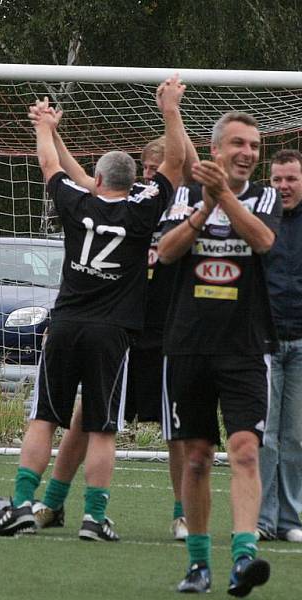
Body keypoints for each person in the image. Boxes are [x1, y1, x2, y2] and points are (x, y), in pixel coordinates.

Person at [0, 76, 185, 541]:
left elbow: (49, 164)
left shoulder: (78, 203)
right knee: (102, 428)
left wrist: (44, 125)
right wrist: (170, 109)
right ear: (133, 180)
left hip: (65, 323)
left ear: (97, 181)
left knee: (45, 418)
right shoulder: (143, 212)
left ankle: (21, 504)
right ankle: (94, 518)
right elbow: (177, 161)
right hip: (113, 332)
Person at [28, 133, 195, 541]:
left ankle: (183, 514)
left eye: (159, 169)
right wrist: (56, 137)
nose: (153, 176)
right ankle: (52, 502)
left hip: (162, 329)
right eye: (148, 169)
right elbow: (85, 177)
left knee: (177, 426)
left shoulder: (190, 204)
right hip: (118, 325)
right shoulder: (134, 199)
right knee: (86, 417)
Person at [158, 111, 281, 595]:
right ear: (215, 151)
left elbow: (265, 240)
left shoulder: (264, 196)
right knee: (196, 457)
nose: (248, 153)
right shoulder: (186, 195)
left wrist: (224, 196)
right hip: (188, 344)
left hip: (245, 346)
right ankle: (197, 565)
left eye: (254, 145)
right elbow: (166, 251)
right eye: (238, 144)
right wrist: (203, 207)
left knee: (245, 449)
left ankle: (244, 558)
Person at [257, 149, 302, 543]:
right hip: (265, 342)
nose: (284, 186)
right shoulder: (257, 217)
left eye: (291, 179)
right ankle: (263, 519)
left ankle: (291, 519)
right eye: (277, 180)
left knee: (295, 437)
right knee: (265, 435)